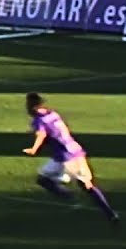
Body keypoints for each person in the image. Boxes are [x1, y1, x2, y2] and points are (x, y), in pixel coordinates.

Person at [22, 92, 120, 226]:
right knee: (87, 185)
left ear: (32, 106)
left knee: (43, 179)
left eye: (27, 105)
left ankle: (68, 194)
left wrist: (34, 149)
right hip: (76, 150)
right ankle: (110, 214)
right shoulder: (53, 114)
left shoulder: (39, 121)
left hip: (64, 158)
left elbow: (41, 135)